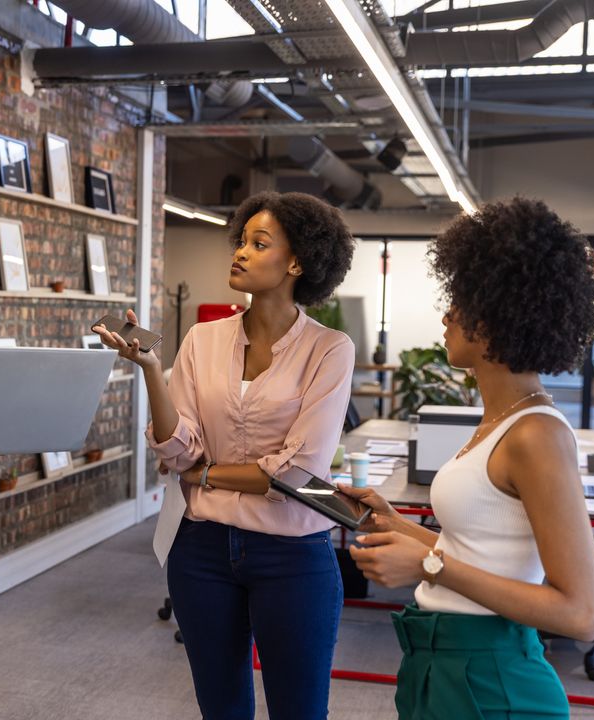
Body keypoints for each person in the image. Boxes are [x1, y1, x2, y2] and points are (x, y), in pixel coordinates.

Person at [340, 197, 594, 720]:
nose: (447, 315)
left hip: (493, 679)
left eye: (460, 302)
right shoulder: (497, 422)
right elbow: (483, 551)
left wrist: (427, 564)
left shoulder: (537, 435)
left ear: (495, 318)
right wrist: (398, 526)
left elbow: (580, 614)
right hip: (439, 659)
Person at [95, 191, 355, 720]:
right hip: (203, 549)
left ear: (298, 263)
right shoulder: (201, 339)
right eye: (241, 240)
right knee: (221, 707)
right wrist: (150, 369)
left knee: (300, 709)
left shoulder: (330, 349)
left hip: (293, 553)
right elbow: (177, 448)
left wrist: (207, 473)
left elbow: (299, 470)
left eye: (259, 244)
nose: (239, 252)